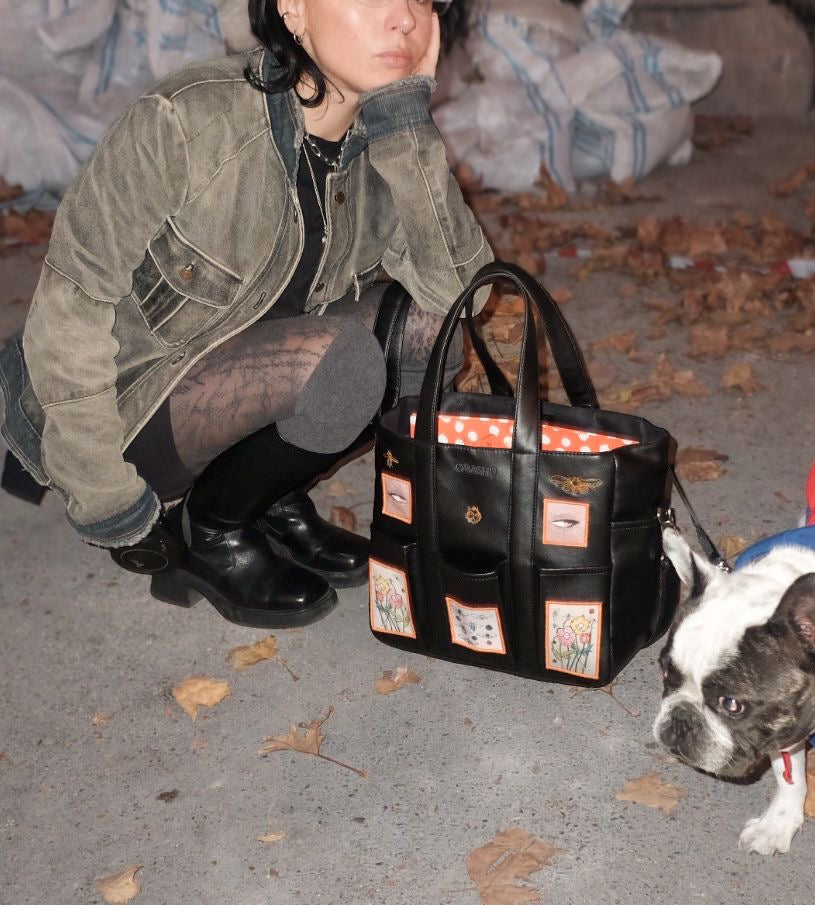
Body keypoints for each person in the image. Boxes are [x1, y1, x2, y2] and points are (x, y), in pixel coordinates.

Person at [0, 0, 493, 630]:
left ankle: (265, 498)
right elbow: (69, 310)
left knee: (429, 337)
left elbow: (463, 297)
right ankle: (212, 530)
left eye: (424, 0)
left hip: (245, 386)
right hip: (134, 411)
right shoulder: (186, 120)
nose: (405, 19)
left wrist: (408, 131)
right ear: (292, 9)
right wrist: (104, 496)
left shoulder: (380, 139)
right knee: (339, 362)